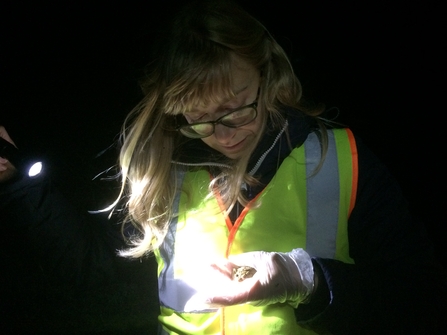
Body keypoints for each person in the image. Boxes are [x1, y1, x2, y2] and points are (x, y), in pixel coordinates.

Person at [1, 0, 446, 334]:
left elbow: (419, 300)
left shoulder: (341, 158)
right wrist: (18, 183)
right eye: (198, 118)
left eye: (237, 110)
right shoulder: (163, 167)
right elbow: (95, 277)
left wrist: (310, 280)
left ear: (267, 73)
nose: (223, 133)